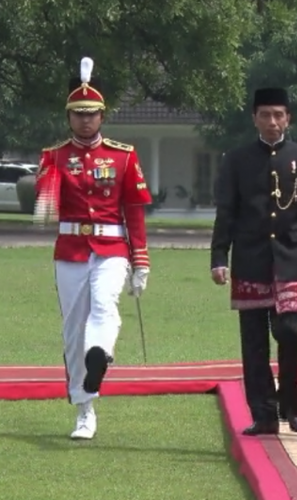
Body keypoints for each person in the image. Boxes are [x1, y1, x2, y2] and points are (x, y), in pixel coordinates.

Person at [34, 57, 152, 440]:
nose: (86, 120)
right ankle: (84, 408)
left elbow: (134, 213)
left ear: (103, 116)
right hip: (70, 249)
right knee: (73, 329)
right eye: (78, 114)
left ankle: (100, 353)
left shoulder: (123, 155)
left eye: (92, 113)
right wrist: (46, 188)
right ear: (69, 116)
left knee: (105, 304)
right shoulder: (52, 156)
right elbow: (44, 210)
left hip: (111, 245)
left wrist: (141, 261)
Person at [210, 87, 297, 436]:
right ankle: (264, 413)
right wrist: (218, 256)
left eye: (279, 115)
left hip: (290, 258)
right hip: (250, 258)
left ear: (288, 118)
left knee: (290, 332)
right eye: (265, 115)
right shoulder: (237, 159)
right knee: (254, 341)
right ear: (254, 118)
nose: (272, 122)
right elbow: (226, 211)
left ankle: (291, 403)